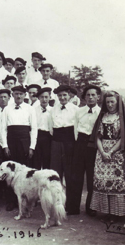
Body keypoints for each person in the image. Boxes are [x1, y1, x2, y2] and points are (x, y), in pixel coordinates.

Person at [89, 91, 125, 223]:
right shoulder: (103, 117)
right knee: (103, 181)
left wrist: (110, 152)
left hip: (117, 154)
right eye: (107, 102)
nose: (110, 105)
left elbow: (123, 139)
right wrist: (103, 152)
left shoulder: (121, 118)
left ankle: (119, 213)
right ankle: (107, 212)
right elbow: (97, 137)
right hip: (102, 153)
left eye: (112, 102)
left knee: (117, 182)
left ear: (117, 102)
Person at [0, 85, 37, 211]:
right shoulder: (6, 109)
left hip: (24, 142)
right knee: (10, 173)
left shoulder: (30, 109)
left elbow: (34, 129)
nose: (19, 96)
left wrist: (31, 147)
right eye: (16, 94)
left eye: (21, 94)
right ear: (13, 95)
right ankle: (11, 201)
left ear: (25, 95)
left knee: (24, 172)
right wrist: (5, 146)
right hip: (11, 142)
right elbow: (3, 129)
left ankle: (27, 202)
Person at [69, 85, 101, 216]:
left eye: (93, 95)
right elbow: (75, 129)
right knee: (76, 176)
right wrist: (78, 144)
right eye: (88, 95)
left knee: (92, 177)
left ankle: (90, 207)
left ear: (98, 97)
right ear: (84, 97)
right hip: (80, 144)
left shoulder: (101, 113)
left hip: (94, 146)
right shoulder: (79, 111)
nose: (91, 97)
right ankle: (73, 207)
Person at [49, 85, 78, 214]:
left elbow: (77, 128)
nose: (62, 98)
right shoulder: (53, 110)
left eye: (64, 95)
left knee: (70, 174)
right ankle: (56, 204)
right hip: (56, 142)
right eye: (59, 95)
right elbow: (51, 129)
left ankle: (71, 206)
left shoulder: (76, 110)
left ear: (69, 95)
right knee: (55, 174)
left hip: (70, 143)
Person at [33, 87, 53, 169]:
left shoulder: (53, 110)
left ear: (50, 97)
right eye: (42, 97)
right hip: (37, 136)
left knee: (47, 160)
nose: (44, 99)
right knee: (36, 161)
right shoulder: (33, 110)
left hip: (49, 137)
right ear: (38, 98)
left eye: (46, 97)